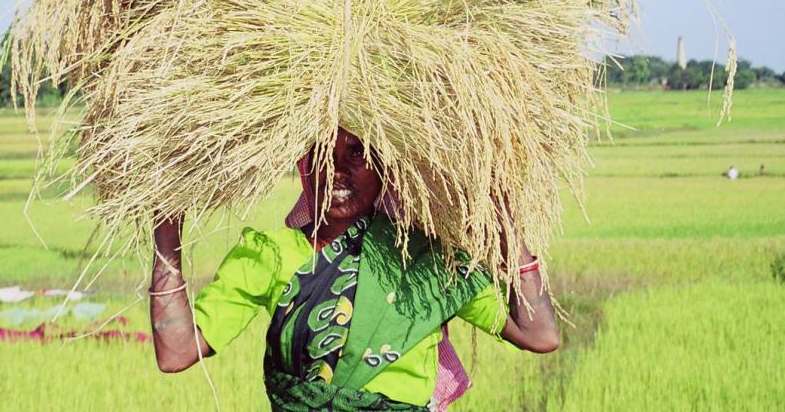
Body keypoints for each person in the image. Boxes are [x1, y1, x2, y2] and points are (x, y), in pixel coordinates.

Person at [150, 128, 559, 410]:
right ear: (307, 166)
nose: (339, 169)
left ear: (386, 170)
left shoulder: (427, 262)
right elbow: (176, 353)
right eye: (325, 153)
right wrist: (166, 230)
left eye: (358, 153)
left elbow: (538, 334)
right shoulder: (271, 254)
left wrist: (506, 223)